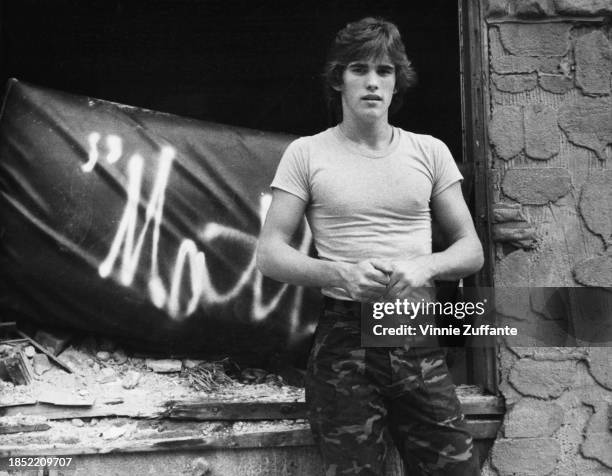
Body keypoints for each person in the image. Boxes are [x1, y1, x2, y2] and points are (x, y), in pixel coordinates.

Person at [256, 17, 483, 475]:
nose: (373, 82)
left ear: (398, 82)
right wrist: (338, 273)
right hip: (345, 343)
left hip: (415, 334)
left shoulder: (429, 151)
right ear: (339, 78)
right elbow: (270, 253)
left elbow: (470, 249)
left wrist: (427, 266)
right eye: (359, 69)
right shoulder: (307, 153)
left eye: (385, 71)